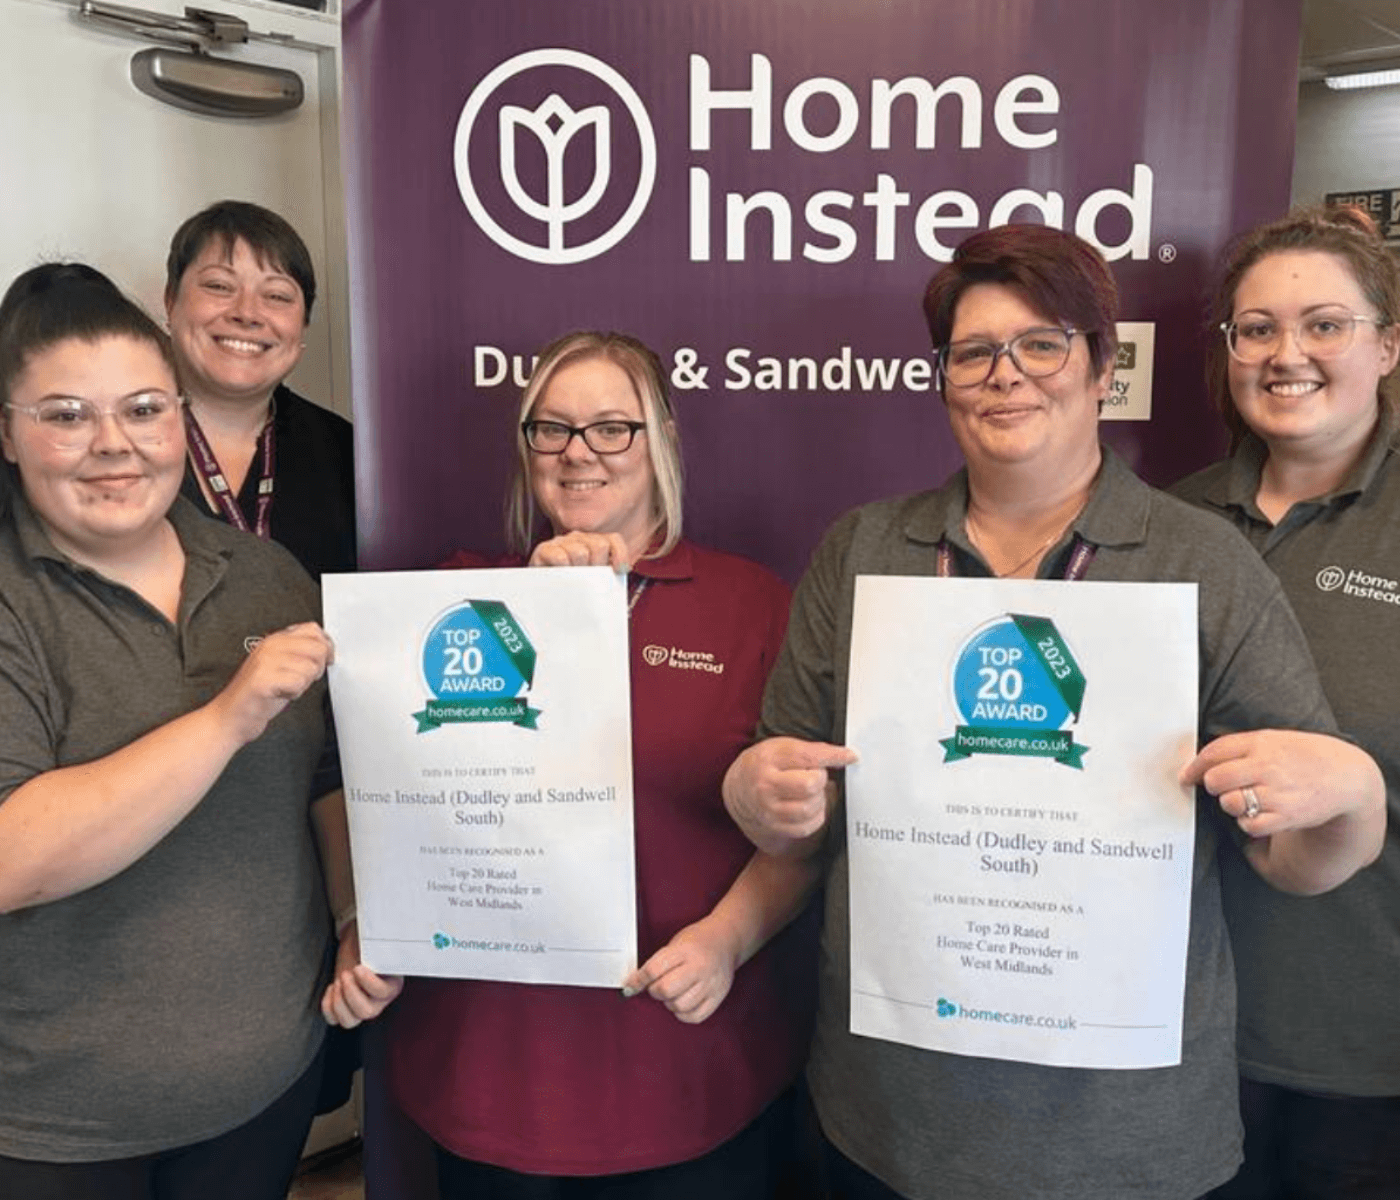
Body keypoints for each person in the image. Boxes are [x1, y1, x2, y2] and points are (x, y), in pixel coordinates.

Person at [721, 225, 1387, 1200]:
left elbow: (1293, 864)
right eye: (972, 352)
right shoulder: (863, 549)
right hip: (889, 1113)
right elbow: (781, 791)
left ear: (1098, 368)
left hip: (1120, 1138)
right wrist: (755, 788)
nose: (1005, 376)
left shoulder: (1198, 559)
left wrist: (1352, 797)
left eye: (1040, 345)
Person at [325, 331, 819, 1199]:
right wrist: (373, 929)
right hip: (494, 1076)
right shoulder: (458, 596)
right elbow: (404, 806)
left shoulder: (755, 604)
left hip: (685, 1065)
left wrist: (725, 939)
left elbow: (805, 833)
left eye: (610, 427)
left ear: (661, 435)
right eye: (550, 430)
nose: (578, 451)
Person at [0, 263, 352, 1199]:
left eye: (146, 410)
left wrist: (358, 916)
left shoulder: (268, 574)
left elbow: (323, 776)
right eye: (66, 414)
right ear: (8, 432)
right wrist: (226, 718)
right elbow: (11, 859)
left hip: (264, 1086)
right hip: (55, 1128)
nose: (114, 445)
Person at [1172, 205, 1400, 1199]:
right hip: (1176, 1038)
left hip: (1359, 1054)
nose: (1283, 353)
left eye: (1323, 325)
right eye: (1253, 329)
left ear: (1387, 345)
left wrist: (1353, 781)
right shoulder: (1161, 524)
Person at [165, 199, 355, 581]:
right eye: (219, 286)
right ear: (171, 302)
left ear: (302, 327)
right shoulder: (115, 438)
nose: (247, 313)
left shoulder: (344, 453)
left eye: (277, 296)